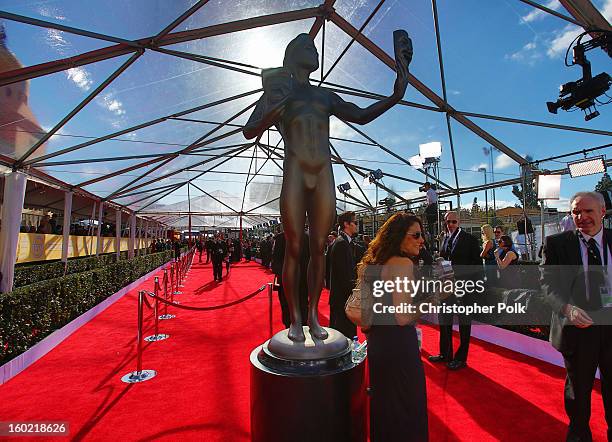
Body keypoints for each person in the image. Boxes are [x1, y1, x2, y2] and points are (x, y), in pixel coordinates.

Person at [243, 32, 410, 342]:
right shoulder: (279, 91)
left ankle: (310, 317)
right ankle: (294, 318)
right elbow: (249, 130)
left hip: (323, 175)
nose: (314, 50)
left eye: (315, 46)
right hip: (295, 172)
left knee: (318, 248)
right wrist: (275, 105)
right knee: (294, 248)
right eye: (307, 47)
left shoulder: (325, 97)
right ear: (292, 57)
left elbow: (360, 115)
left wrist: (394, 96)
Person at [541, 191, 612, 441]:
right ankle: (579, 434)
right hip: (577, 330)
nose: (581, 217)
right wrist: (567, 309)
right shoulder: (557, 244)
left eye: (588, 211)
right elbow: (548, 286)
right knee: (578, 392)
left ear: (603, 211)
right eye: (576, 212)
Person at [358, 213, 428, 441]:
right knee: (407, 411)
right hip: (400, 350)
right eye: (416, 235)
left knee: (385, 411)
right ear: (399, 237)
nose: (421, 240)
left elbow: (370, 313)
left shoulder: (375, 263)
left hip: (378, 346)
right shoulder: (402, 264)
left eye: (422, 235)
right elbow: (402, 316)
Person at [429, 211, 482, 370]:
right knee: (444, 320)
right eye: (447, 222)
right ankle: (445, 353)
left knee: (464, 325)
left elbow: (478, 266)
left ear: (459, 222)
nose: (450, 225)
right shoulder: (445, 239)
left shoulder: (470, 239)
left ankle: (461, 358)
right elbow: (445, 261)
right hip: (446, 287)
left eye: (453, 222)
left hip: (464, 288)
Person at [329, 212, 359, 339]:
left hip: (342, 299)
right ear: (346, 224)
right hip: (342, 300)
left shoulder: (344, 242)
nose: (357, 226)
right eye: (355, 223)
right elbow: (345, 276)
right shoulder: (341, 244)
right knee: (343, 338)